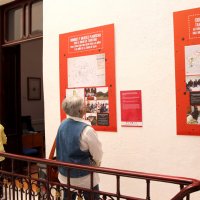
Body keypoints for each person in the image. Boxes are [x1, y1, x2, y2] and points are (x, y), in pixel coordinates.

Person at [56, 95, 103, 200]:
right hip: (84, 177)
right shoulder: (87, 130)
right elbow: (98, 153)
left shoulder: (62, 125)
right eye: (84, 105)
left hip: (64, 174)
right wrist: (96, 163)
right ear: (81, 110)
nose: (86, 106)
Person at [0, 124, 7, 197]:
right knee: (0, 173)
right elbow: (4, 139)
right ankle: (0, 192)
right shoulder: (0, 127)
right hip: (0, 152)